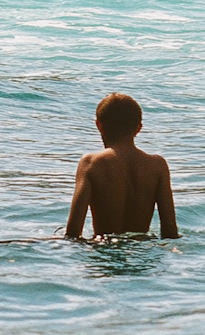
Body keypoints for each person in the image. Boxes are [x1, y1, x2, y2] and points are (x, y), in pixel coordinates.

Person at [65, 91, 179, 239]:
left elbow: (73, 233)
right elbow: (170, 231)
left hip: (104, 249)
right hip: (141, 252)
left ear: (99, 125)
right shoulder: (157, 165)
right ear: (139, 128)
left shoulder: (91, 163)